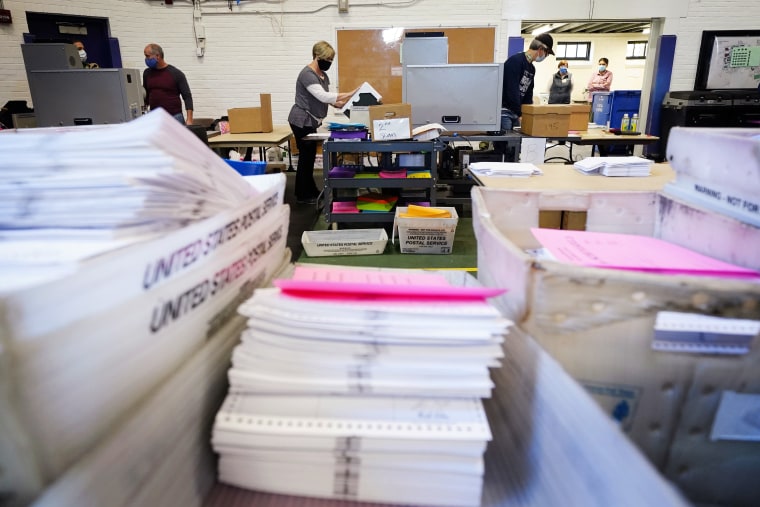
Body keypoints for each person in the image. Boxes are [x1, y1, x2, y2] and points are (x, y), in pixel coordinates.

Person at [287, 40, 358, 204]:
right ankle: (303, 195)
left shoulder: (322, 76)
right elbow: (323, 96)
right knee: (306, 157)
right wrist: (350, 92)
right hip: (300, 120)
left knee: (309, 157)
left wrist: (342, 103)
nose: (329, 63)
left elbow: (328, 99)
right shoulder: (307, 74)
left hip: (310, 121)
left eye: (331, 60)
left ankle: (309, 190)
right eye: (327, 59)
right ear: (317, 56)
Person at [500, 33, 555, 132]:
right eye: (547, 53)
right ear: (541, 49)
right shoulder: (515, 61)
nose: (546, 56)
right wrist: (520, 114)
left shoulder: (531, 68)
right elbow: (511, 90)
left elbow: (528, 94)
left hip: (516, 113)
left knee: (516, 145)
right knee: (505, 144)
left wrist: (528, 112)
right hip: (505, 111)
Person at [142, 43, 194, 125]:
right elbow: (146, 96)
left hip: (174, 117)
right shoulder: (147, 73)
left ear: (157, 56)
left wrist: (189, 119)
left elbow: (187, 97)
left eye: (147, 56)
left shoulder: (176, 73)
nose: (146, 59)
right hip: (155, 118)